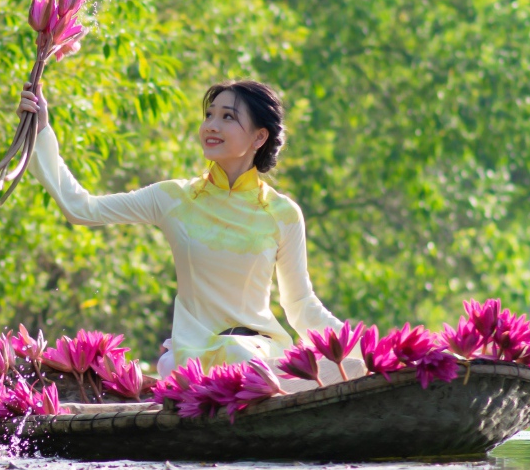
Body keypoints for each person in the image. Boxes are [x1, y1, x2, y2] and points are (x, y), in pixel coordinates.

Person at [19, 79, 356, 385]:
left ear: (259, 137)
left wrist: (360, 351)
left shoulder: (282, 213)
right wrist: (42, 130)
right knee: (237, 358)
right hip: (191, 360)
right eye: (209, 115)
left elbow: (299, 304)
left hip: (259, 353)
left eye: (227, 117)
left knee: (339, 369)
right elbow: (82, 209)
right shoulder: (174, 198)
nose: (211, 125)